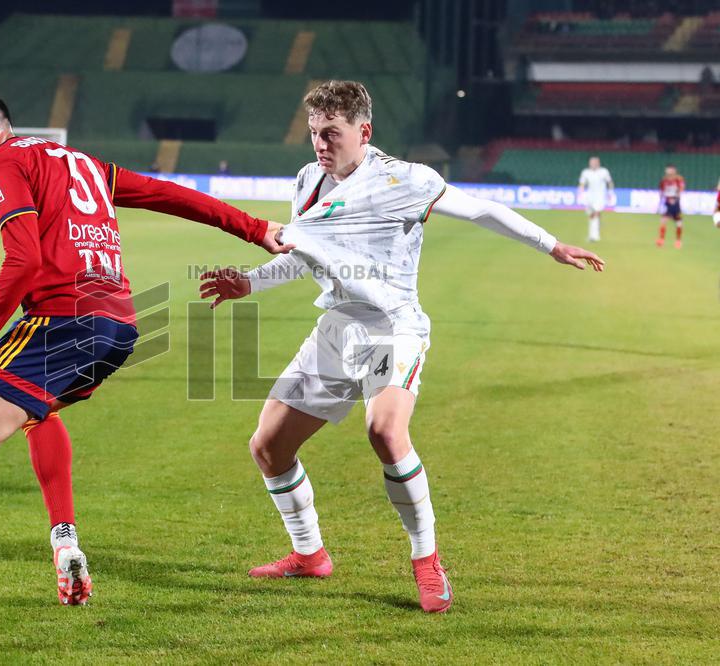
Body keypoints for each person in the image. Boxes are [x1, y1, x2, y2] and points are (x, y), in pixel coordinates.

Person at [0, 87, 293, 649]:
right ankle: (65, 541)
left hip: (63, 320)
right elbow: (166, 193)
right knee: (33, 412)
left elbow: (25, 258)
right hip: (119, 327)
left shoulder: (4, 164)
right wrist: (254, 228)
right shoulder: (81, 163)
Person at [198, 80, 604, 614]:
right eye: (314, 134)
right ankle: (309, 554)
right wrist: (250, 283)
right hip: (339, 326)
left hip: (393, 325)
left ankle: (426, 560)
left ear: (363, 132)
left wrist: (549, 245)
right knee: (268, 447)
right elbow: (306, 251)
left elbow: (481, 210)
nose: (321, 145)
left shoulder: (404, 180)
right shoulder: (306, 180)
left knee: (386, 431)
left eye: (332, 134)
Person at [577, 155, 613, 242]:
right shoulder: (585, 172)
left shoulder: (604, 171)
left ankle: (595, 236)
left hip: (600, 196)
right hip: (590, 197)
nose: (592, 163)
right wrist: (580, 193)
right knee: (591, 215)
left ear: (598, 163)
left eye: (594, 162)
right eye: (591, 162)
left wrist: (610, 192)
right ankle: (592, 234)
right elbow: (582, 184)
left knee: (596, 213)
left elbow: (610, 182)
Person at [657, 165, 685, 248]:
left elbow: (681, 189)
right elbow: (661, 191)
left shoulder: (678, 179)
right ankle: (661, 240)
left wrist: (675, 198)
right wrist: (661, 201)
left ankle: (678, 241)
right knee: (663, 220)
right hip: (667, 203)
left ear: (674, 171)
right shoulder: (664, 180)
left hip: (675, 203)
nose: (668, 172)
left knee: (678, 222)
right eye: (667, 170)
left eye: (670, 170)